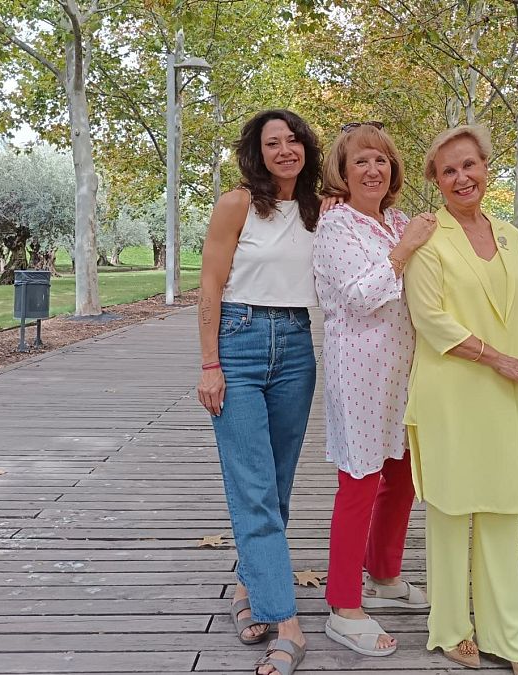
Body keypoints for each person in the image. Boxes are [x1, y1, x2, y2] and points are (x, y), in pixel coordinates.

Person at [403, 125, 518, 675]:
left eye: (469, 165)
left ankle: (510, 640)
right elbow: (431, 320)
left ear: (486, 166)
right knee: (450, 509)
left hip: (505, 388)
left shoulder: (509, 233)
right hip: (451, 389)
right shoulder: (428, 238)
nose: (461, 178)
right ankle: (450, 629)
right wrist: (499, 358)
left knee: (502, 508)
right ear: (435, 181)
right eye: (448, 171)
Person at [196, 109, 320, 675]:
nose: (285, 149)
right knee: (253, 488)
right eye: (274, 142)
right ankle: (286, 623)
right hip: (240, 344)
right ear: (258, 151)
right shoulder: (236, 204)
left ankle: (248, 585)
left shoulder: (323, 209)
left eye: (293, 139)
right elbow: (211, 287)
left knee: (278, 485)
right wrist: (209, 364)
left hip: (296, 347)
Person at [312, 122, 436, 657]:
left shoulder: (397, 221)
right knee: (359, 481)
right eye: (361, 161)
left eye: (382, 161)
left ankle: (384, 575)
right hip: (359, 370)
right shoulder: (335, 226)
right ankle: (344, 605)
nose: (372, 170)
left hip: (408, 370)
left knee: (402, 475)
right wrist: (406, 250)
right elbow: (363, 296)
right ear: (342, 171)